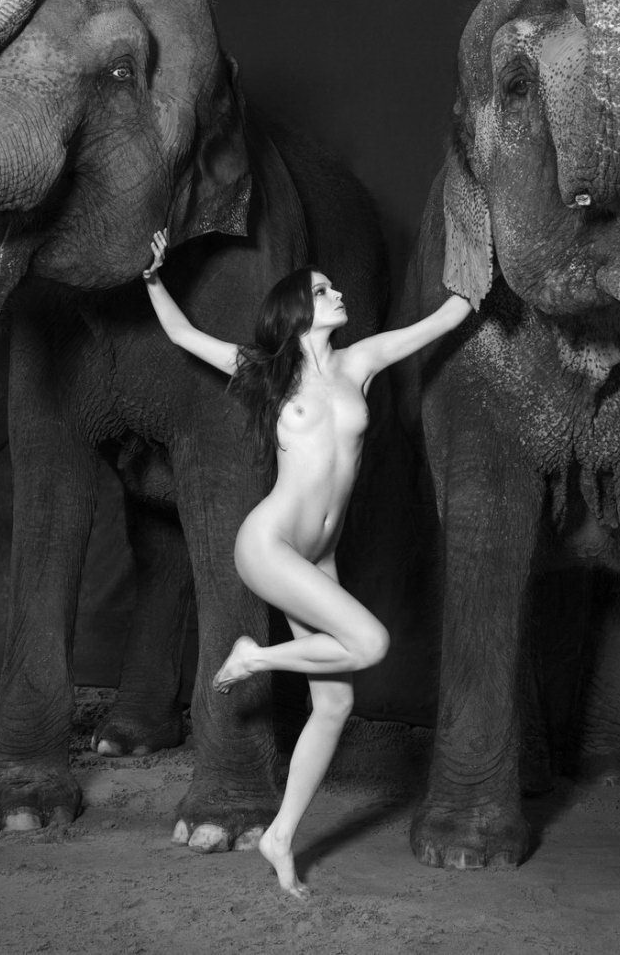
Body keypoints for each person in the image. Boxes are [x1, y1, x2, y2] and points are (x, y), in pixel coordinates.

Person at [143, 228, 473, 899]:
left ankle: (281, 836)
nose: (338, 293)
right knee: (370, 642)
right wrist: (152, 278)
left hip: (320, 556)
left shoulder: (361, 362)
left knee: (335, 701)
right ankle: (255, 658)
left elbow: (449, 315)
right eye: (323, 290)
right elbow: (182, 335)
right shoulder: (268, 373)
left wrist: (480, 245)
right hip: (270, 544)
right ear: (296, 310)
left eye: (333, 286)